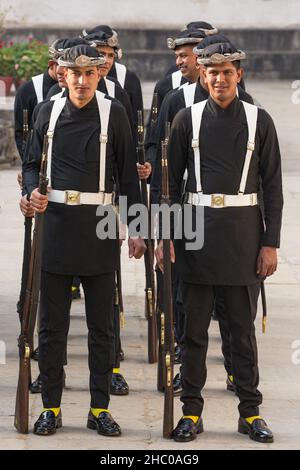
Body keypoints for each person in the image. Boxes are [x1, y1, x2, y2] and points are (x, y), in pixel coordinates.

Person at [156, 40, 283, 443]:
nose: (219, 78)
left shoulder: (260, 120)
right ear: (203, 74)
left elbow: (274, 189)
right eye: (212, 71)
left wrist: (270, 243)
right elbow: (169, 186)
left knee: (241, 332)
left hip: (244, 236)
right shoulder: (185, 120)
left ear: (239, 75)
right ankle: (191, 412)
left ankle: (250, 412)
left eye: (227, 71)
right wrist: (165, 236)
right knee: (192, 334)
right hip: (194, 234)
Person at [22, 45, 146, 436]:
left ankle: (98, 408)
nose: (79, 80)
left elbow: (127, 177)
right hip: (55, 226)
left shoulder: (116, 113)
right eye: (72, 73)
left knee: (101, 327)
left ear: (98, 74)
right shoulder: (48, 111)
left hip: (99, 228)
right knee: (52, 326)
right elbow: (29, 163)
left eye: (88, 73)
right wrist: (30, 192)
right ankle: (51, 407)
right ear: (62, 74)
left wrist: (137, 228)